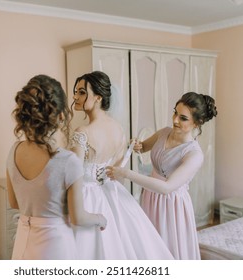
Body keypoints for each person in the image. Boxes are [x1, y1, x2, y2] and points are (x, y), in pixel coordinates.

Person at [69, 71, 174, 260]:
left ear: (98, 97)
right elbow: (116, 174)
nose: (75, 97)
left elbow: (71, 176)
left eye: (82, 92)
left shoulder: (82, 132)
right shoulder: (118, 128)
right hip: (113, 193)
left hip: (86, 197)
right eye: (76, 91)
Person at [106, 91, 218, 260]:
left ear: (198, 122)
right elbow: (143, 147)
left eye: (183, 118)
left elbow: (166, 188)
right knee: (149, 246)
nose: (175, 120)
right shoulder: (164, 132)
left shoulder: (194, 155)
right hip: (150, 197)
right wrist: (136, 145)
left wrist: (126, 173)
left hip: (171, 205)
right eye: (175, 112)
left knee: (166, 249)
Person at [6, 74, 107, 260]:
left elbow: (14, 203)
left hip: (22, 243)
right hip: (53, 246)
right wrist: (101, 218)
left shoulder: (14, 151)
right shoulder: (68, 161)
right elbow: (78, 218)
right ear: (61, 116)